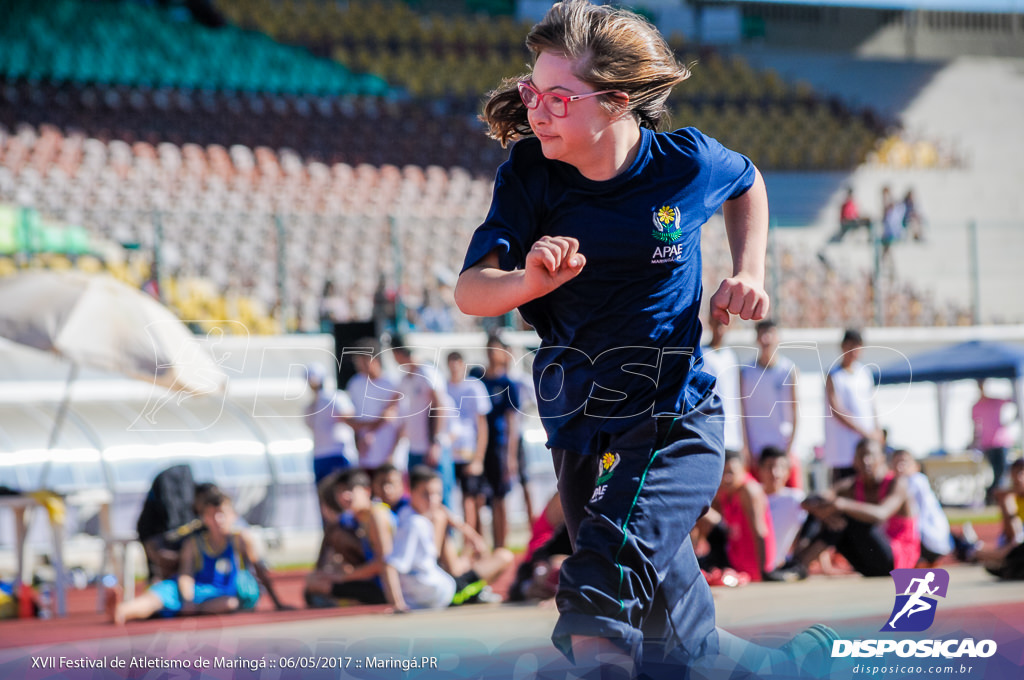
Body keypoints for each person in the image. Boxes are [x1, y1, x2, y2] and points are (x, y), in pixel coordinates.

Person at [454, 2, 835, 676]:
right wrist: (529, 283)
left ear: (614, 103)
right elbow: (472, 291)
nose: (537, 110)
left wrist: (750, 271)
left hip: (671, 416)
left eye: (558, 98)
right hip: (577, 421)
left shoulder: (684, 163)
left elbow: (747, 181)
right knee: (676, 644)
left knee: (598, 585)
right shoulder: (530, 174)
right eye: (530, 93)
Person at [109, 486, 287, 624]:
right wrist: (188, 600)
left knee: (229, 603)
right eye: (212, 515)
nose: (218, 520)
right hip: (194, 591)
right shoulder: (193, 543)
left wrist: (277, 602)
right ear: (204, 518)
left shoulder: (240, 539)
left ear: (233, 515)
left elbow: (260, 570)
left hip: (222, 593)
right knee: (157, 595)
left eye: (222, 514)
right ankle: (122, 611)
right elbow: (186, 574)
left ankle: (177, 611)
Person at [781, 438, 919, 580]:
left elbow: (881, 513)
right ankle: (796, 562)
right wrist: (824, 512)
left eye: (870, 455)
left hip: (896, 562)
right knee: (828, 512)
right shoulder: (852, 485)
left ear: (882, 459)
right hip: (868, 564)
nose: (866, 461)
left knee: (843, 515)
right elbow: (812, 501)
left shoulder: (897, 484)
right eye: (861, 456)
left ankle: (799, 566)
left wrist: (841, 505)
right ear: (854, 460)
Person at [383, 466, 514, 611]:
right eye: (426, 494)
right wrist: (397, 603)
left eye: (437, 494)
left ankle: (477, 591)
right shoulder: (415, 524)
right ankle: (476, 592)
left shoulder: (409, 514)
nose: (433, 500)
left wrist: (470, 536)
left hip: (436, 589)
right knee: (504, 556)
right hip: (445, 594)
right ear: (411, 492)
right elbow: (391, 565)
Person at [303, 468, 395, 608]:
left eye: (350, 490)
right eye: (340, 491)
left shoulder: (376, 515)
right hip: (378, 582)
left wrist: (344, 577)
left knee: (317, 583)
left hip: (388, 587)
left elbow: (384, 562)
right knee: (315, 579)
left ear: (366, 491)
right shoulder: (360, 518)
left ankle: (347, 601)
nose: (345, 496)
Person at [391, 337, 455, 506]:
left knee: (440, 497)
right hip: (415, 447)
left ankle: (446, 533)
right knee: (418, 497)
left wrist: (435, 442)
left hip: (431, 447)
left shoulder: (427, 372)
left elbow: (439, 405)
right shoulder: (406, 378)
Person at [696, 450, 776, 583]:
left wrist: (764, 572)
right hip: (733, 562)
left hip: (752, 569)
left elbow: (760, 532)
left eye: (731, 472)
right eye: (723, 473)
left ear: (743, 470)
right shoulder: (726, 492)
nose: (727, 478)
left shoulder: (749, 491)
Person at [739, 319, 802, 488]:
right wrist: (746, 447)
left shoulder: (788, 369)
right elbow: (742, 413)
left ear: (778, 338)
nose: (766, 339)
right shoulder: (746, 372)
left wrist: (790, 450)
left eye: (770, 333)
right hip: (757, 451)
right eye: (762, 334)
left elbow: (796, 412)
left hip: (784, 449)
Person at [476, 334, 521, 548]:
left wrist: (511, 455)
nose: (492, 354)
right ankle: (480, 544)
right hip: (480, 445)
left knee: (500, 497)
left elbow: (513, 421)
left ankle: (501, 545)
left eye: (496, 350)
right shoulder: (478, 378)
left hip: (499, 446)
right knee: (478, 496)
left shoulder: (508, 383)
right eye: (489, 349)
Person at [823, 329, 880, 484]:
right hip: (843, 449)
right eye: (850, 346)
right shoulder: (834, 375)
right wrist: (863, 431)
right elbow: (836, 409)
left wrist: (876, 430)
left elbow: (871, 405)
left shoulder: (865, 373)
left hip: (866, 446)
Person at [444, 350, 491, 535]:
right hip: (449, 452)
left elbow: (482, 425)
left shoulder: (474, 387)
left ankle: (471, 544)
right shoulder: (444, 387)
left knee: (470, 500)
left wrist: (478, 458)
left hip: (468, 451)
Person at [345, 337, 401, 471]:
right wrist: (361, 439)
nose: (358, 365)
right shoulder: (354, 384)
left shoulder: (393, 383)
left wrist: (393, 451)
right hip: (366, 454)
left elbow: (397, 420)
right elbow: (351, 417)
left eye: (361, 360)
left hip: (390, 453)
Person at [891, 449, 952, 567]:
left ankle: (915, 558)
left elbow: (916, 520)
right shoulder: (911, 481)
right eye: (896, 463)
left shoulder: (916, 481)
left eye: (904, 462)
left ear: (916, 467)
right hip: (933, 541)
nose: (900, 467)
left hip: (928, 541)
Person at [304, 362, 356, 485]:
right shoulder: (311, 406)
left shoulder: (335, 397)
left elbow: (349, 418)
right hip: (321, 454)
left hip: (339, 452)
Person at [758, 446, 807, 570]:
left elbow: (810, 529)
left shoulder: (796, 499)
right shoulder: (750, 496)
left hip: (781, 566)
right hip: (751, 564)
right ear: (760, 470)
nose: (776, 473)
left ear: (788, 472)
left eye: (781, 468)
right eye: (770, 467)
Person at [701, 313, 744, 455]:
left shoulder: (731, 357)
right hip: (709, 429)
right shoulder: (702, 354)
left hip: (732, 433)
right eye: (716, 323)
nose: (720, 329)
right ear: (710, 323)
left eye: (723, 324)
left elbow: (737, 396)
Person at [971, 379, 1016, 505]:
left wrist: (1008, 422)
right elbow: (975, 426)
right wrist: (974, 442)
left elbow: (1015, 401)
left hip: (1002, 442)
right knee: (997, 472)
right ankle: (993, 496)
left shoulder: (996, 401)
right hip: (988, 443)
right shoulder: (976, 405)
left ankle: (994, 496)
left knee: (1003, 471)